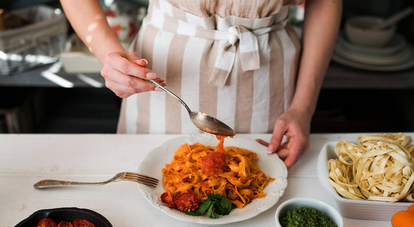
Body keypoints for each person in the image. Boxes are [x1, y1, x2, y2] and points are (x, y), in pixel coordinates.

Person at [60, 0, 342, 168]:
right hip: (163, 68)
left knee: (260, 186)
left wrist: (303, 108)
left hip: (266, 73)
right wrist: (107, 52)